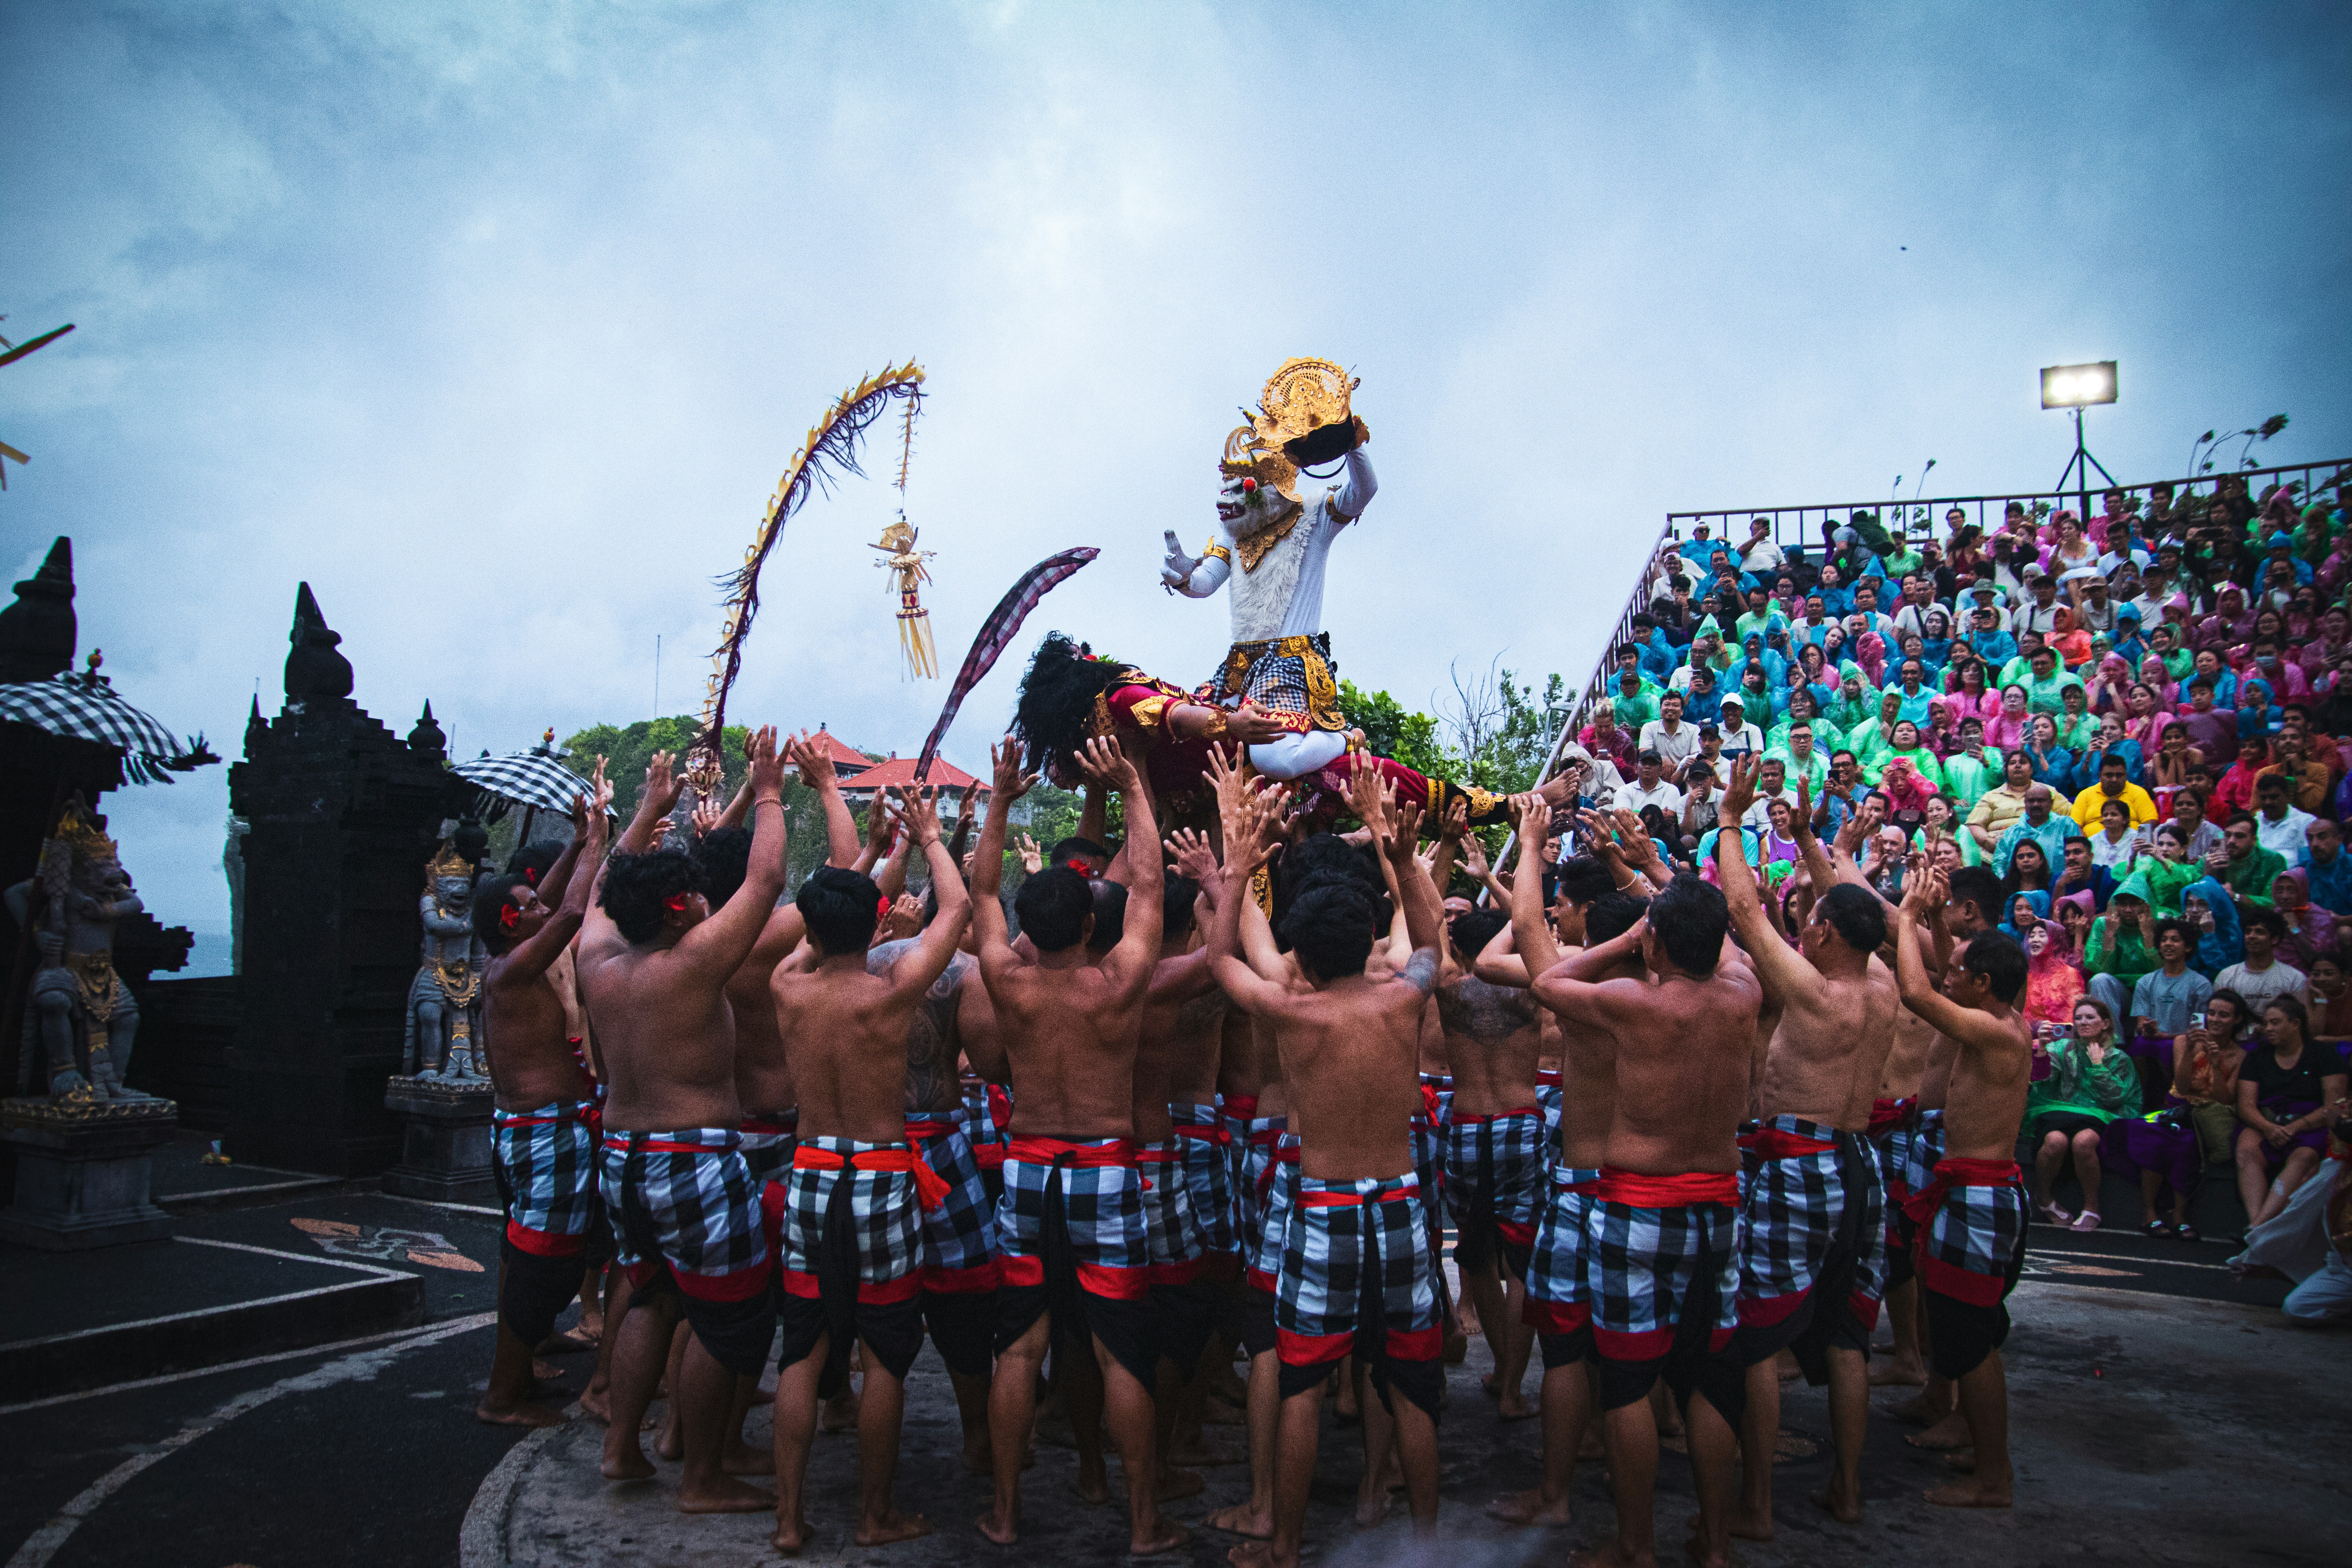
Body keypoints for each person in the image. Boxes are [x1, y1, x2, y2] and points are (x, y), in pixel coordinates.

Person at [1207, 756, 1449, 1567]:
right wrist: (1400, 851)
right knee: (1411, 1381)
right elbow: (1431, 940)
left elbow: (1219, 962)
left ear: (1301, 956)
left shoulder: (1290, 1007)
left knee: (1305, 1380)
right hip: (1402, 1201)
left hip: (1325, 1205)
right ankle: (1423, 1540)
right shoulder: (1407, 994)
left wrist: (1238, 866)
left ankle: (1284, 1545)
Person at [966, 734, 1181, 1555]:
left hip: (1027, 1166)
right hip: (1103, 1164)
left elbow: (982, 888)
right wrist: (1134, 786)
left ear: (1030, 925)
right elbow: (1154, 884)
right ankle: (1142, 1521)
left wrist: (999, 796)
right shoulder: (1121, 980)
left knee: (1018, 1345)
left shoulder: (1005, 976)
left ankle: (1007, 1512)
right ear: (1093, 921)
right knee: (1119, 1347)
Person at [1523, 871, 1761, 1568]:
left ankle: (1636, 1548)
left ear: (1656, 943)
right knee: (1714, 1376)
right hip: (1718, 1203)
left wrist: (1631, 937)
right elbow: (1735, 946)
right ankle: (1716, 1547)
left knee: (1630, 1379)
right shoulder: (1743, 993)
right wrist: (1666, 909)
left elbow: (1548, 985)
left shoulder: (1632, 1002)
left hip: (1640, 1206)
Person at [581, 729, 791, 1513]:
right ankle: (701, 1477)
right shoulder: (694, 961)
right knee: (726, 1315)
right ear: (678, 909)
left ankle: (620, 1449)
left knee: (648, 1295)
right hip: (692, 1157)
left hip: (622, 1154)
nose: (708, 895)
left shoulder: (598, 959)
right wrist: (767, 787)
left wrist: (648, 809)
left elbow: (603, 888)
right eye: (696, 892)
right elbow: (766, 877)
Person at [767, 787, 973, 1551]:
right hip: (883, 1169)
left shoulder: (788, 985)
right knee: (886, 1345)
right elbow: (953, 915)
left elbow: (822, 925)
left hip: (814, 1165)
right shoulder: (892, 992)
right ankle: (874, 1513)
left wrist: (877, 855)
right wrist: (926, 839)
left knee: (803, 1343)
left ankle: (789, 1519)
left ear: (812, 930)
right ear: (877, 927)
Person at [1712, 761, 1899, 1533]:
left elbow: (1744, 911)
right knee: (1850, 1335)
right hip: (1860, 1162)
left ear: (1823, 932)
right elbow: (1854, 903)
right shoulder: (1882, 980)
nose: (1808, 922)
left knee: (1757, 1336)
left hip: (1800, 1163)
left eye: (1816, 916)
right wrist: (1824, 846)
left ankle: (1754, 1502)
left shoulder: (1813, 990)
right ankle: (1847, 1488)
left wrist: (1731, 820)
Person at [475, 765, 613, 1427]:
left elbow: (548, 897)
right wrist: (597, 844)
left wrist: (580, 835)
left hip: (529, 1127)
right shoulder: (517, 965)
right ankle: (503, 1395)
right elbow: (568, 912)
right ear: (511, 925)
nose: (536, 907)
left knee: (524, 1253)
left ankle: (518, 1370)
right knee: (542, 1267)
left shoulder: (506, 957)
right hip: (544, 1131)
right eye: (524, 907)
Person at [1889, 871, 2032, 1509]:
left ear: (1983, 985)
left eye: (1964, 970)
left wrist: (1906, 915)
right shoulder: (1994, 1013)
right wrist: (1936, 916)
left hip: (1979, 1197)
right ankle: (1981, 1447)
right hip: (1974, 1190)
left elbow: (1918, 994)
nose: (1952, 970)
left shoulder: (1995, 1031)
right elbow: (1944, 968)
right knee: (1972, 1332)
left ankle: (1994, 1476)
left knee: (1971, 1339)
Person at [2024, 999, 2140, 1231]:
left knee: (2084, 1141)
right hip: (2059, 1112)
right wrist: (2044, 1050)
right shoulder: (2062, 1048)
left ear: (2106, 1024)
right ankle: (2044, 1198)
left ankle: (2091, 1207)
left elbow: (2116, 1099)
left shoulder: (2119, 1058)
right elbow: (2043, 1082)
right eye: (2078, 1018)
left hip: (2100, 1116)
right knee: (2055, 1142)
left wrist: (2098, 1066)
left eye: (2090, 1018)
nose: (2082, 1023)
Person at [2234, 998, 2348, 1230]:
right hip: (2266, 1120)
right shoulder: (2257, 1056)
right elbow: (2246, 1106)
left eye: (2275, 1023)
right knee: (2247, 1150)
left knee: (2304, 1157)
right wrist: (2268, 1127)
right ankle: (2256, 1222)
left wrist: (2297, 1127)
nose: (2268, 1029)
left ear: (2296, 1024)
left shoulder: (2324, 1056)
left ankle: (2259, 1225)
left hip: (2310, 1124)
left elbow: (2333, 1107)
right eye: (2266, 1024)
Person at [2212, 909, 2309, 1020]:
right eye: (2248, 932)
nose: (2251, 936)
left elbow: (2300, 1022)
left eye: (2260, 932)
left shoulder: (2294, 978)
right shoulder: (2226, 976)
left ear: (2275, 939)